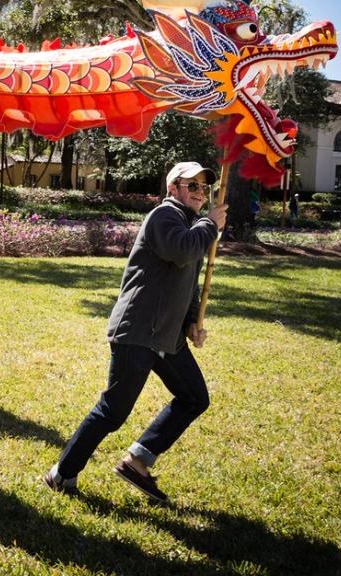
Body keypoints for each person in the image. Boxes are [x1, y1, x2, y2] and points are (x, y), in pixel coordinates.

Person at [45, 161, 228, 503]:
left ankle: (138, 461)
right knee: (113, 410)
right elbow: (181, 250)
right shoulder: (165, 216)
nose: (201, 193)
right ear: (174, 188)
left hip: (167, 337)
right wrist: (209, 225)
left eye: (205, 188)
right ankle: (62, 474)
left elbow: (188, 283)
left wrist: (191, 322)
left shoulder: (192, 225)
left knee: (194, 397)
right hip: (139, 331)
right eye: (193, 186)